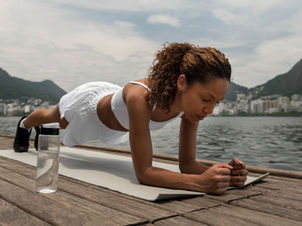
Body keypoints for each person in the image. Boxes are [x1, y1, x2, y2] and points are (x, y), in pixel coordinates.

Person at [13, 42, 248, 195]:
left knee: (55, 122)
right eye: (206, 98)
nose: (210, 108)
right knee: (52, 117)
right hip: (88, 109)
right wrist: (199, 183)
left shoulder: (192, 110)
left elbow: (187, 165)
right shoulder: (141, 98)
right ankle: (24, 124)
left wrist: (225, 174)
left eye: (216, 102)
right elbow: (144, 173)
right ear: (182, 82)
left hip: (116, 119)